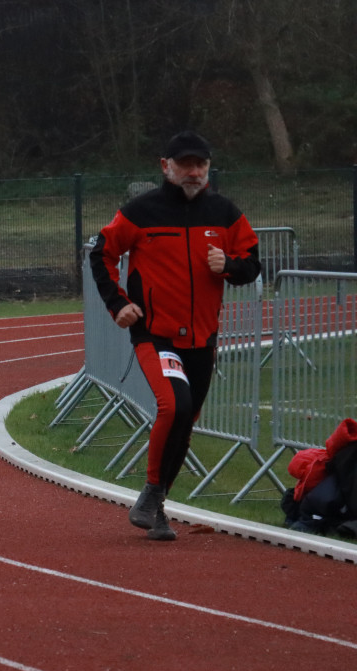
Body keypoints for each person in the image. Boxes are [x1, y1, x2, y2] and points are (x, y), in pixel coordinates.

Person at [90, 131, 261, 541]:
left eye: (200, 164)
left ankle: (158, 506)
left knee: (187, 420)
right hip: (156, 332)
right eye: (185, 164)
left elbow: (252, 262)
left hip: (203, 337)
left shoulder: (224, 212)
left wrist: (230, 266)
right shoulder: (141, 210)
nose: (194, 172)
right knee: (173, 405)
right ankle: (151, 493)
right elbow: (101, 252)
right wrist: (117, 303)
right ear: (165, 166)